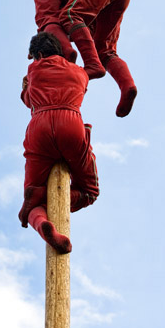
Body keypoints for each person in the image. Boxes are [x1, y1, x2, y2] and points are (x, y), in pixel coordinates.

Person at [19, 32, 99, 254]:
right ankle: (50, 204)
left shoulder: (33, 71)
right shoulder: (80, 73)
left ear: (40, 55)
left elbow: (29, 102)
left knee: (32, 202)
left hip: (40, 128)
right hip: (70, 124)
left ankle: (41, 216)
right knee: (90, 191)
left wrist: (25, 88)